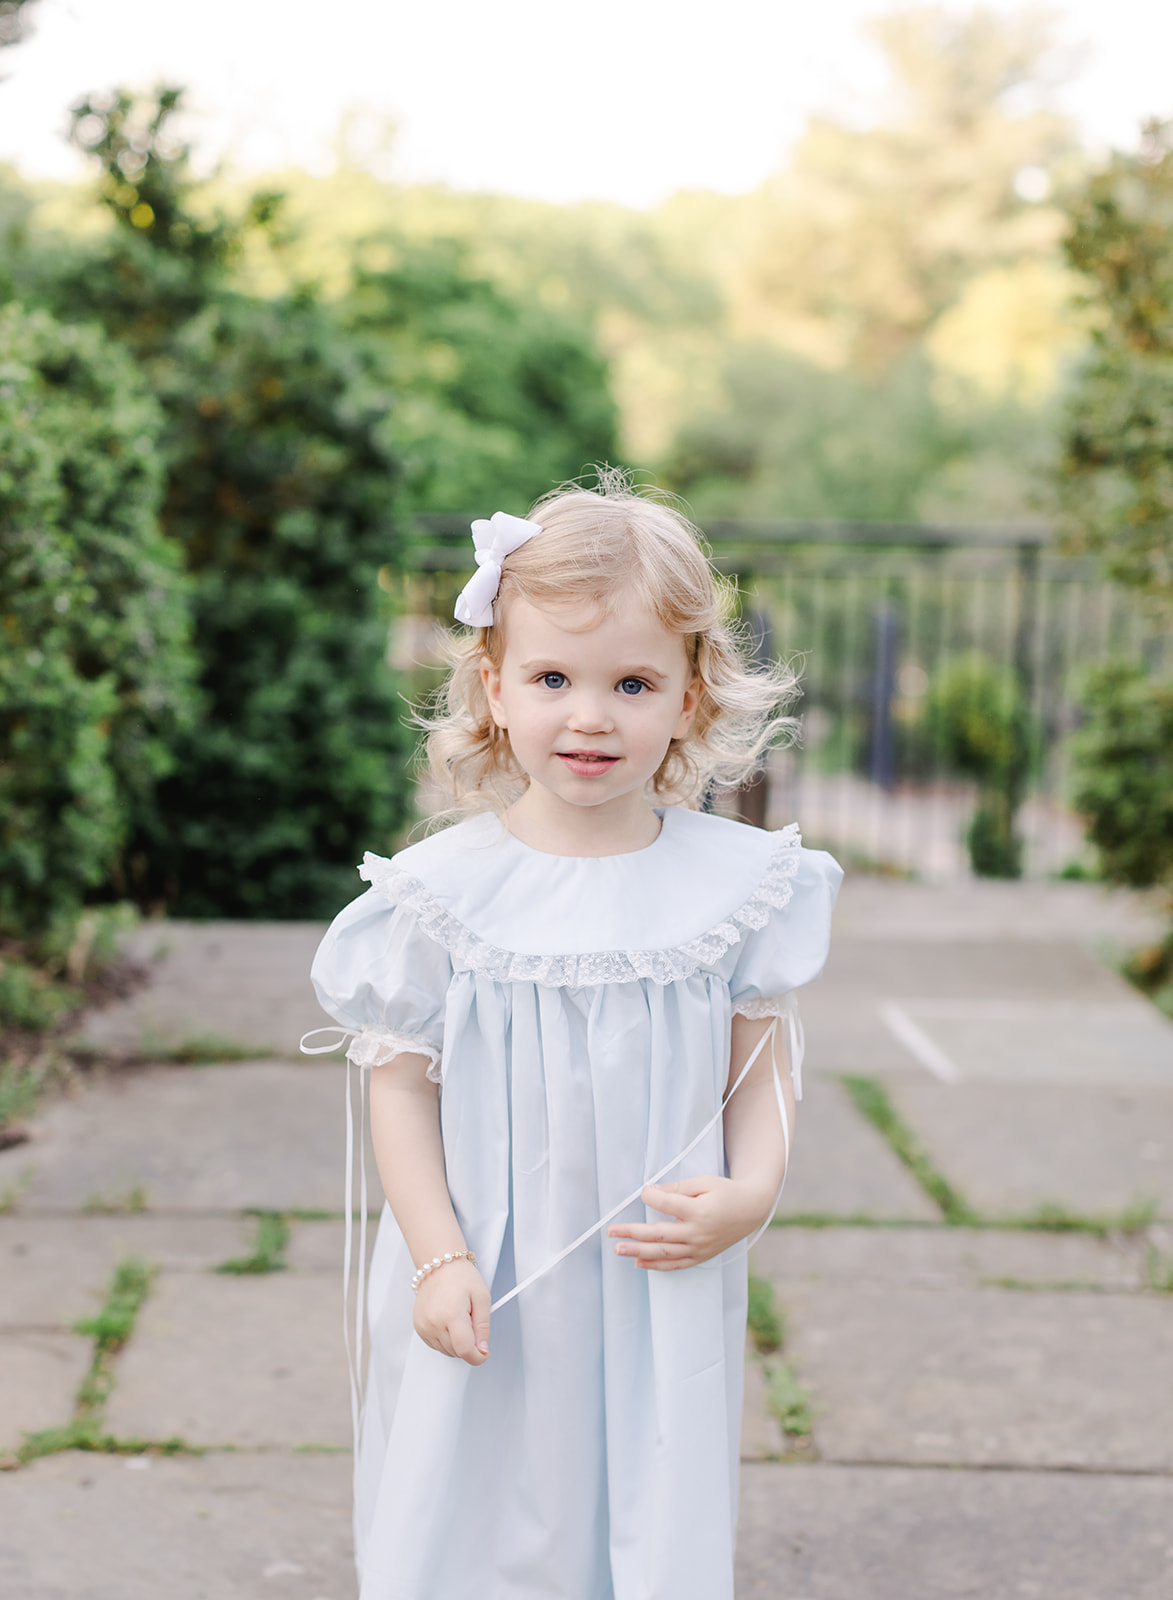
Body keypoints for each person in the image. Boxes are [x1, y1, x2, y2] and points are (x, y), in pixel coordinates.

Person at [306, 476, 842, 1600]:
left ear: (690, 699)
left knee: (647, 1485)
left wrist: (756, 1188)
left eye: (632, 682)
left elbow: (764, 1054)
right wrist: (438, 1250)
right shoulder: (441, 894)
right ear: (495, 687)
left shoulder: (733, 888)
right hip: (486, 1261)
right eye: (553, 678)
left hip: (656, 1260)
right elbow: (399, 1086)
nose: (590, 715)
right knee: (478, 1488)